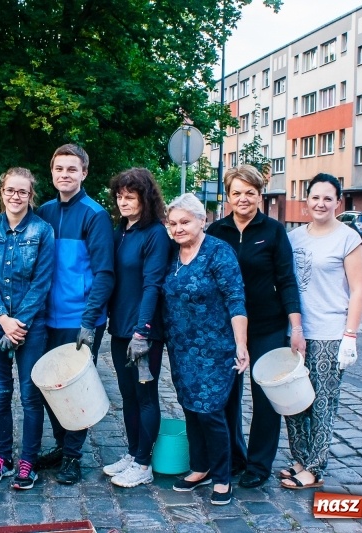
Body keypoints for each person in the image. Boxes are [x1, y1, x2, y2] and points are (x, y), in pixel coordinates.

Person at [206, 165, 304, 489]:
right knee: (227, 396)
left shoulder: (274, 231)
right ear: (228, 196)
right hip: (226, 329)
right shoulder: (216, 232)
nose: (243, 198)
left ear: (260, 195)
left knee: (264, 398)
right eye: (237, 192)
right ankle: (235, 457)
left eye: (250, 192)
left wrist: (296, 326)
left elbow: (287, 280)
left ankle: (259, 464)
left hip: (267, 326)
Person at [280, 173, 362, 490]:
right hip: (297, 333)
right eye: (315, 197)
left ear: (338, 203)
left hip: (330, 333)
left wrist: (350, 335)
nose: (321, 203)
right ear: (306, 200)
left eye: (328, 198)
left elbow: (358, 291)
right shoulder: (293, 238)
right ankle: (300, 460)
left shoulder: (347, 239)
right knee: (294, 401)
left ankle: (315, 468)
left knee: (321, 402)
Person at [162, 193, 249, 506]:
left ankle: (223, 476)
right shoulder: (171, 253)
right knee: (189, 408)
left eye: (185, 221)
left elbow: (236, 299)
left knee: (211, 412)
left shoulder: (218, 252)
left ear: (202, 220)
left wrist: (241, 344)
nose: (178, 228)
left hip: (215, 348)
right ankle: (200, 467)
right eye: (172, 223)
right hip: (181, 348)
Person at [35, 144, 114, 485]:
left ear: (84, 173)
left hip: (78, 319)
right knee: (50, 388)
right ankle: (60, 446)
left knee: (74, 389)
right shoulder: (44, 211)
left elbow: (104, 273)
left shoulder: (94, 215)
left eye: (72, 169)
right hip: (45, 317)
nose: (64, 174)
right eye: (59, 169)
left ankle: (73, 456)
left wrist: (89, 320)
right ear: (52, 173)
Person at [0, 167, 54, 490]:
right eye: (10, 190)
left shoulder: (42, 231)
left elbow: (42, 281)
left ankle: (28, 460)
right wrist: (2, 319)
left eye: (22, 191)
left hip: (30, 325)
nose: (15, 196)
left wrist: (19, 322)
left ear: (30, 195)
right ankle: (3, 457)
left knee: (30, 394)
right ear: (2, 191)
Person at [102, 168, 170, 488]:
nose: (124, 202)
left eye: (131, 197)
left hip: (144, 332)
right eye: (120, 196)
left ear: (146, 198)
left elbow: (153, 284)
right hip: (119, 329)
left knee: (145, 396)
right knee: (127, 395)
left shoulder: (155, 233)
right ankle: (133, 453)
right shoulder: (121, 231)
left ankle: (144, 464)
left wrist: (142, 331)